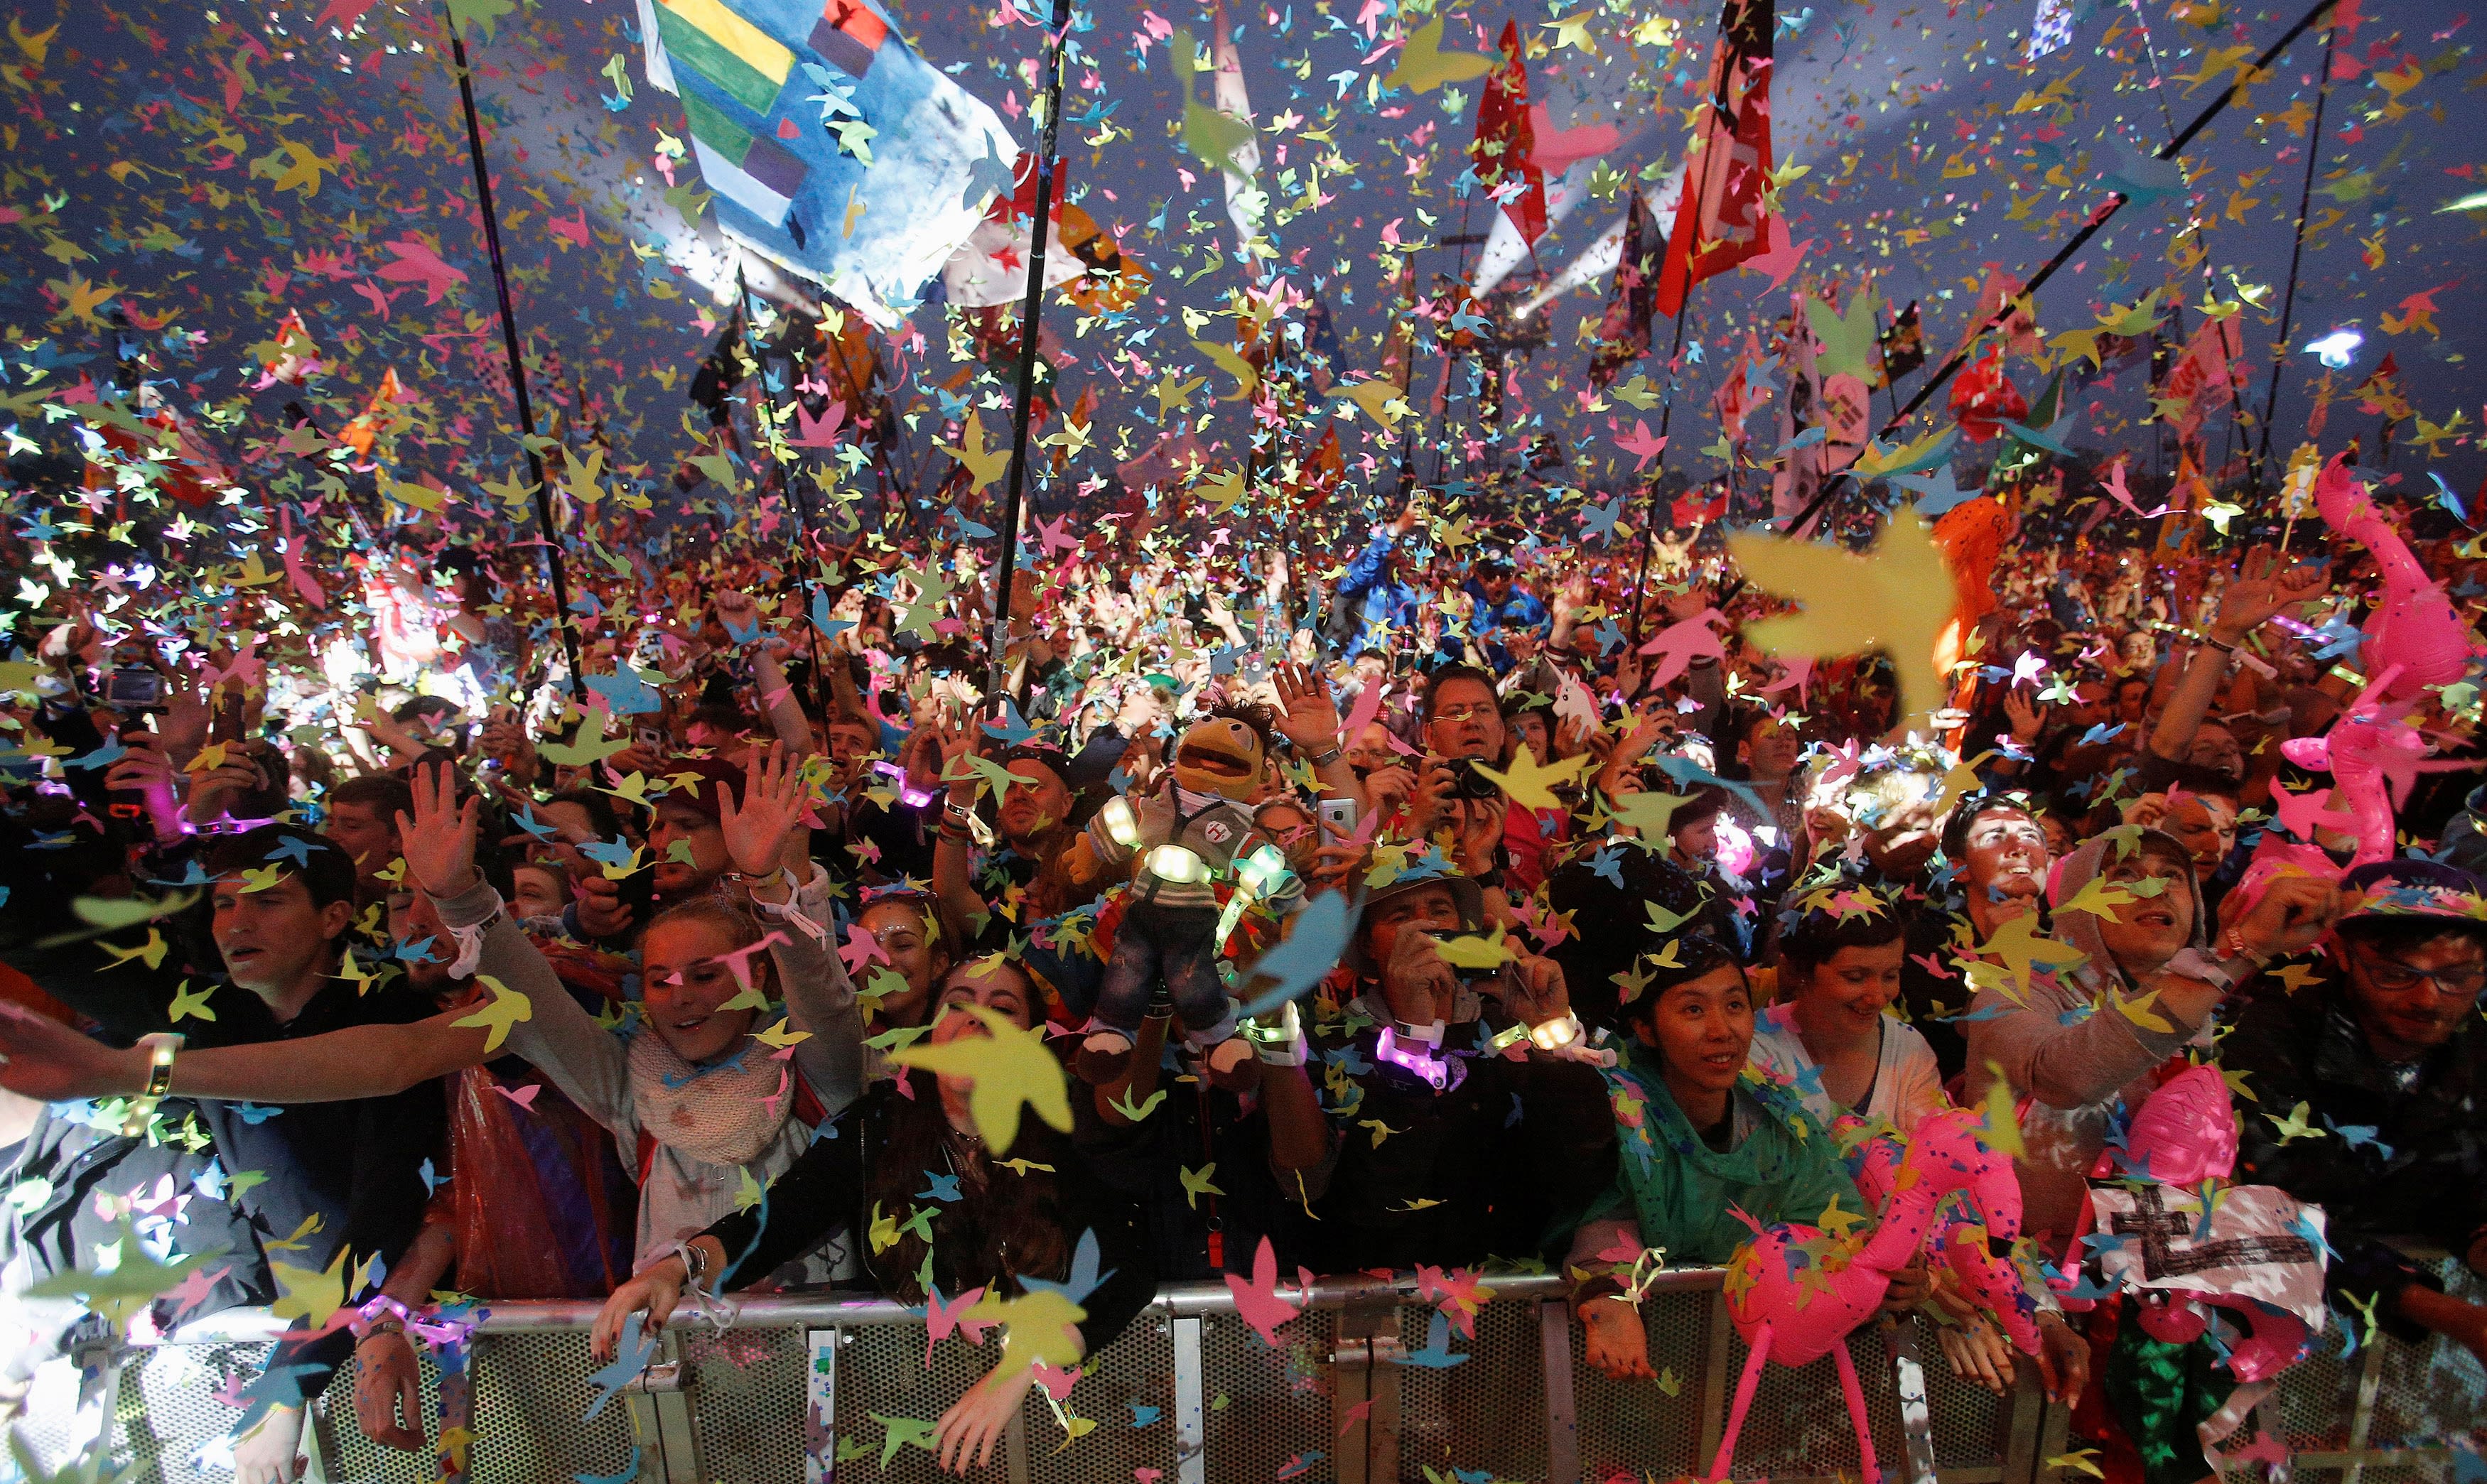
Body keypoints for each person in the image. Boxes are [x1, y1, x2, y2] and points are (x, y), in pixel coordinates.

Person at [587, 957, 1153, 1475]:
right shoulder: (876, 1123)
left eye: (1002, 1008)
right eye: (957, 1004)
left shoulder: (1069, 1126)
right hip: (916, 1420)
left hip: (1056, 1420)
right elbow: (779, 1219)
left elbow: (1128, 1266)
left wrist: (1021, 1368)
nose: (976, 1019)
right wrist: (676, 1267)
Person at [1962, 828, 2338, 1251]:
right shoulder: (2010, 996)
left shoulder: (2200, 1013)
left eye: (2173, 875)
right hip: (2024, 1270)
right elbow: (2066, 1077)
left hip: (2154, 1269)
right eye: (2125, 874)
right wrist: (2238, 950)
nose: (2155, 889)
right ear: (2077, 902)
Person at [2224, 861, 2487, 1370]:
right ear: (2343, 954)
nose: (2428, 998)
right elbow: (2265, 1205)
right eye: (2396, 974)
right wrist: (2453, 1317)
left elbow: (2463, 1179)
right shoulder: (2266, 1029)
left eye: (2457, 977)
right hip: (2252, 1330)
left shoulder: (2477, 1048)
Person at [1311, 858, 1617, 1272]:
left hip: (1509, 1283)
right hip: (1389, 1287)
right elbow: (1373, 1204)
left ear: (1462, 927)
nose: (1425, 927)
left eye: (1440, 910)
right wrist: (1412, 1038)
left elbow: (1581, 1176)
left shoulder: (1507, 1027)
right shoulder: (1334, 1043)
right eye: (1401, 916)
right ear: (1367, 943)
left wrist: (1552, 1030)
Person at [1752, 880, 1946, 1132]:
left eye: (1890, 976)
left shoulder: (1908, 1049)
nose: (1878, 998)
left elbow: (1936, 1147)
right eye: (1855, 978)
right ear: (1798, 971)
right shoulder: (1755, 1047)